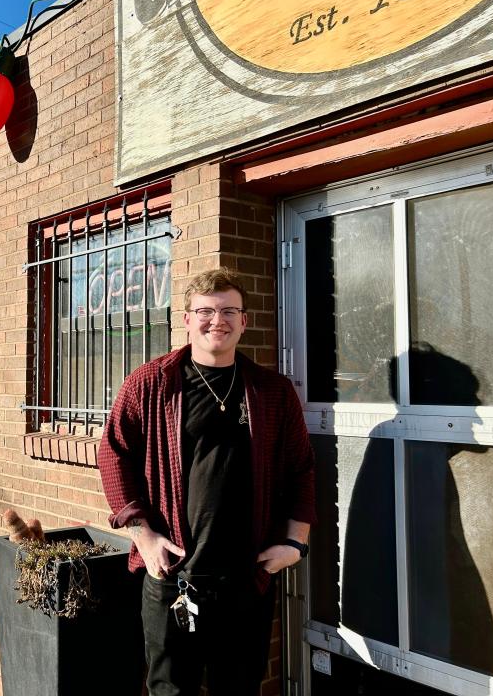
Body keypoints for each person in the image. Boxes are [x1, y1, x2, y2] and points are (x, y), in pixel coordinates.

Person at [97, 267, 316, 696]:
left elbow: (301, 468)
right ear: (186, 319)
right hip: (173, 576)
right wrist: (143, 537)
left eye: (229, 311)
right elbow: (112, 454)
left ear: (244, 321)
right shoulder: (151, 384)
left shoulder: (272, 391)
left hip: (246, 579)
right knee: (170, 690)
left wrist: (295, 543)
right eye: (206, 311)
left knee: (238, 688)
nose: (218, 320)